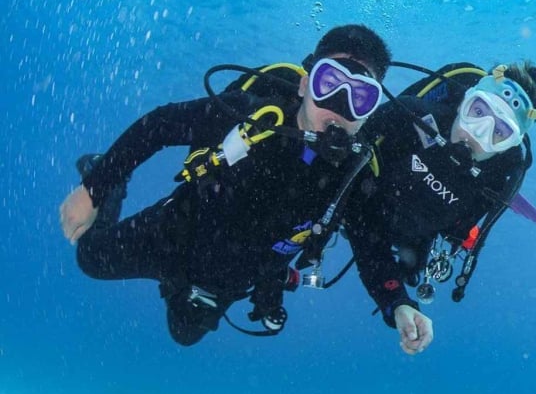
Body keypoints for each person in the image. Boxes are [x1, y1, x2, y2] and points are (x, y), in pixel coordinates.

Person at [58, 24, 392, 345]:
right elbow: (158, 125)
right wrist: (95, 188)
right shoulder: (248, 118)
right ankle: (110, 180)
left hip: (232, 278)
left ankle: (184, 289)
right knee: (90, 257)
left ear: (369, 112)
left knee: (184, 335)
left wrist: (399, 304)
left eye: (360, 97)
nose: (338, 107)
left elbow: (371, 244)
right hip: (177, 233)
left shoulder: (355, 174)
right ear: (304, 86)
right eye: (329, 84)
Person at [342, 60, 536, 355]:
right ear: (465, 100)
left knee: (411, 268)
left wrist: (397, 303)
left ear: (509, 146)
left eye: (499, 132)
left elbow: (452, 234)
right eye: (477, 112)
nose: (477, 134)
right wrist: (395, 299)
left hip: (410, 239)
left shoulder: (495, 183)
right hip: (360, 206)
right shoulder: (410, 117)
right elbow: (353, 196)